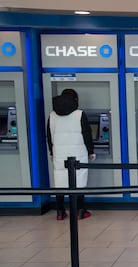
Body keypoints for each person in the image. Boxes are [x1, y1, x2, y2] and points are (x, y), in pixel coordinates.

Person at [47, 88, 96, 221]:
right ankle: (80, 210)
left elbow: (49, 136)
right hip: (77, 153)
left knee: (60, 182)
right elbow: (87, 134)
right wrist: (91, 151)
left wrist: (52, 151)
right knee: (78, 181)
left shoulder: (52, 115)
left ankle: (60, 212)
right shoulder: (79, 114)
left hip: (60, 154)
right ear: (75, 100)